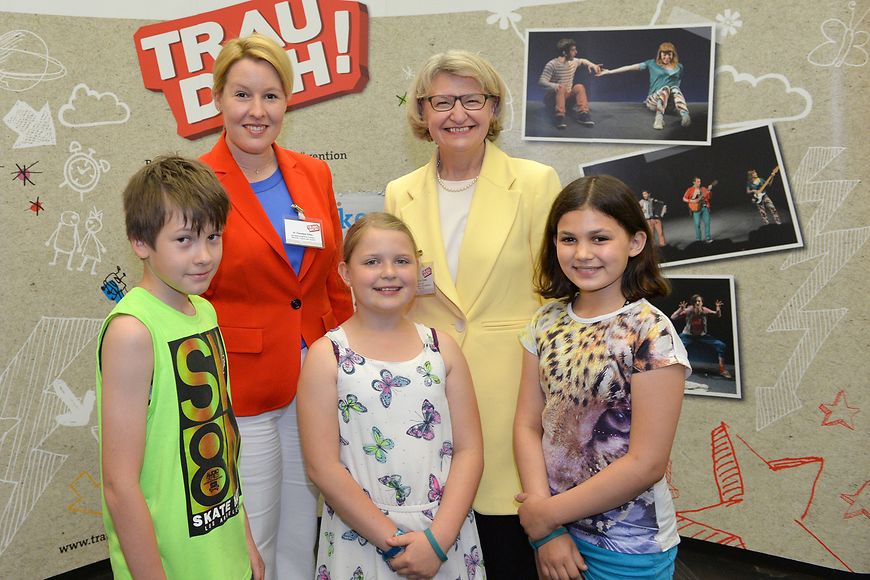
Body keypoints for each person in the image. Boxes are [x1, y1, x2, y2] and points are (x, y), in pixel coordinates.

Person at [385, 49, 562, 579]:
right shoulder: (401, 193)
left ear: (493, 108)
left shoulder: (535, 182)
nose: (457, 113)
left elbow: (557, 298)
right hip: (429, 393)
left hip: (515, 392)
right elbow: (394, 297)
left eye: (472, 99)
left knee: (507, 545)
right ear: (423, 112)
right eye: (442, 101)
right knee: (437, 532)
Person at [199, 33, 354, 579]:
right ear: (218, 98)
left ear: (288, 102)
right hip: (244, 384)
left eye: (271, 96)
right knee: (253, 534)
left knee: (301, 530)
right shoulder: (198, 182)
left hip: (314, 375)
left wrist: (348, 356)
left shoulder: (313, 173)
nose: (257, 111)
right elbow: (191, 292)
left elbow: (327, 279)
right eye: (243, 95)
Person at [514, 175, 689, 580]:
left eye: (600, 238)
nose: (583, 253)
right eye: (568, 239)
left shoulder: (651, 333)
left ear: (635, 243)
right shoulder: (544, 322)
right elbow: (527, 424)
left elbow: (647, 464)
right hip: (554, 534)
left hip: (628, 544)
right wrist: (546, 527)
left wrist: (544, 515)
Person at [97, 155, 263, 580]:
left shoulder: (205, 312)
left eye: (214, 236)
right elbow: (119, 485)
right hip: (170, 565)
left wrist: (245, 544)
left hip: (224, 554)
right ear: (140, 242)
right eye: (185, 240)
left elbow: (222, 443)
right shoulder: (133, 332)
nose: (205, 256)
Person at [298, 213, 486, 579]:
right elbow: (323, 467)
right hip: (364, 537)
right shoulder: (327, 356)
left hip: (444, 534)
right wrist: (394, 541)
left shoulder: (442, 348)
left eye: (401, 261)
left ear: (418, 268)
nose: (388, 272)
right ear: (345, 273)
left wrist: (437, 541)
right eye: (371, 262)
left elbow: (469, 450)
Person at [596, 42, 691, 130]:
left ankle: (685, 117)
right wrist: (609, 72)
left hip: (670, 105)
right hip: (654, 101)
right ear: (660, 54)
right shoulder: (651, 63)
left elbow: (678, 81)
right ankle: (659, 119)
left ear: (673, 54)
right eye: (664, 54)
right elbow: (630, 67)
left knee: (674, 88)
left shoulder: (679, 67)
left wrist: (676, 98)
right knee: (665, 88)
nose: (666, 57)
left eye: (669, 54)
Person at [538, 38, 601, 128]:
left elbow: (583, 60)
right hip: (553, 99)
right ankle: (559, 117)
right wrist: (554, 85)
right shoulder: (552, 64)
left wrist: (592, 65)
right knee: (561, 88)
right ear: (564, 53)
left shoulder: (573, 62)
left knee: (579, 87)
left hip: (567, 99)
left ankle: (583, 114)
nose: (576, 52)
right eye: (573, 50)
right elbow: (541, 82)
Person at [671, 294, 733, 379]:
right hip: (688, 335)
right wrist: (680, 309)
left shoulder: (704, 310)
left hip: (702, 336)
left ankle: (722, 370)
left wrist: (718, 308)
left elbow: (717, 315)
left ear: (702, 303)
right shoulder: (689, 310)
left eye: (699, 301)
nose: (697, 303)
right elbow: (673, 317)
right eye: (695, 301)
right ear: (692, 303)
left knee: (721, 345)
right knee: (676, 346)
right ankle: (676, 369)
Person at [682, 177, 715, 243]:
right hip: (696, 209)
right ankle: (698, 240)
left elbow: (708, 197)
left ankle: (708, 238)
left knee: (707, 223)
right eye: (698, 181)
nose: (699, 183)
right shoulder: (690, 189)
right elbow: (684, 198)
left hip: (704, 208)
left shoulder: (703, 188)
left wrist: (708, 191)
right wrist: (692, 201)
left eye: (700, 181)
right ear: (694, 182)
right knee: (697, 224)